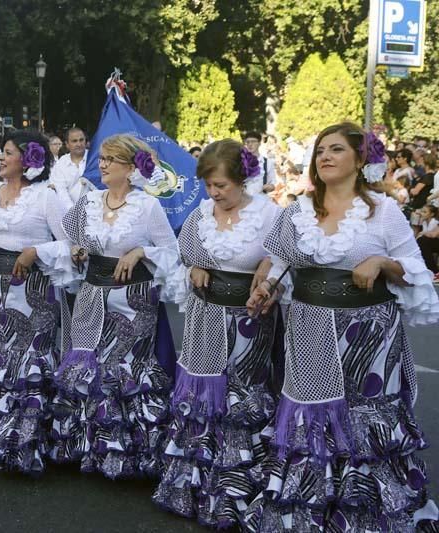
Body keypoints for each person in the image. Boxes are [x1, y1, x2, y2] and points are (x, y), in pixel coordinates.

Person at [244, 122, 439, 531]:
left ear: (360, 159)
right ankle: (309, 513)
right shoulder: (296, 211)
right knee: (310, 417)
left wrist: (383, 263)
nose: (325, 157)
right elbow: (278, 266)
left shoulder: (383, 212)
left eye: (336, 149)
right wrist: (265, 290)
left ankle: (369, 514)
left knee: (365, 419)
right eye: (320, 151)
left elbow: (417, 270)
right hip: (309, 328)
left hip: (369, 336)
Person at [151, 139, 282, 526]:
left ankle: (238, 489)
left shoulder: (269, 214)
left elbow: (288, 260)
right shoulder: (201, 214)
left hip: (249, 320)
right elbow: (182, 254)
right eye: (209, 186)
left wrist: (269, 267)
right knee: (203, 394)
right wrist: (193, 268)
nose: (214, 193)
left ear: (242, 180)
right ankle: (194, 486)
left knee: (242, 396)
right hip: (205, 317)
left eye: (221, 185)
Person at [40, 134, 180, 479]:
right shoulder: (88, 202)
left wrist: (140, 252)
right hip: (91, 294)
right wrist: (75, 251)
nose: (101, 164)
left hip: (133, 301)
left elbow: (174, 252)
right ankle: (91, 449)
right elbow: (68, 235)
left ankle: (132, 455)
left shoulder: (147, 206)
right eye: (101, 158)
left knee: (125, 373)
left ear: (131, 168)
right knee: (89, 368)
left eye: (110, 159)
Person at [0, 130, 69, 474]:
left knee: (29, 363)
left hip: (34, 292)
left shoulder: (45, 198)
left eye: (6, 152)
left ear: (29, 159)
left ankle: (28, 442)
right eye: (0, 153)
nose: (0, 159)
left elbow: (72, 246)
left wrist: (36, 251)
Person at [50, 127, 91, 211]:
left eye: (81, 140)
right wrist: (73, 213)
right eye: (74, 141)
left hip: (94, 211)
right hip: (69, 213)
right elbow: (61, 191)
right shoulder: (61, 163)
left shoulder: (93, 159)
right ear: (67, 144)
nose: (79, 144)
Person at [415, 205, 439, 278]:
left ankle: (433, 271)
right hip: (432, 242)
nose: (422, 213)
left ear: (432, 214)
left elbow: (433, 235)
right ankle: (423, 268)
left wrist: (422, 233)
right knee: (420, 241)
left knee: (422, 240)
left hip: (435, 241)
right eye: (422, 211)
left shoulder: (434, 222)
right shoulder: (424, 222)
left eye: (424, 212)